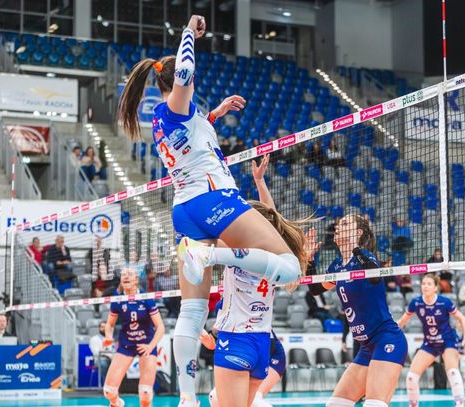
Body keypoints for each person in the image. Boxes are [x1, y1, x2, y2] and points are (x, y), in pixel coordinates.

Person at [118, 15, 302, 406]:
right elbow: (184, 74)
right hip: (213, 199)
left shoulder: (169, 119)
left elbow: (194, 133)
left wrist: (215, 114)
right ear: (174, 83)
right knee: (289, 267)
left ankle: (187, 398)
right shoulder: (175, 103)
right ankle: (212, 255)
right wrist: (188, 32)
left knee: (192, 309)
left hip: (185, 209)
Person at [199, 154, 307, 407]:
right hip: (262, 342)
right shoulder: (277, 256)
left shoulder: (233, 247)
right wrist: (259, 182)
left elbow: (204, 234)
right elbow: (271, 221)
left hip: (236, 339)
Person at [308, 214, 408, 407]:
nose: (338, 226)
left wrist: (354, 247)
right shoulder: (337, 265)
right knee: (335, 405)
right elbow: (315, 289)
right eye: (339, 223)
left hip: (386, 340)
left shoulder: (366, 257)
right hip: (366, 347)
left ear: (358, 232)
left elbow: (374, 277)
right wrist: (310, 260)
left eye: (345, 223)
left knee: (373, 404)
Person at [398, 273, 465, 407]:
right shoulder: (416, 302)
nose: (425, 286)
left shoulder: (444, 302)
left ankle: (460, 404)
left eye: (429, 284)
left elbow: (462, 318)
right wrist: (388, 333)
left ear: (435, 288)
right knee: (411, 378)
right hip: (430, 343)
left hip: (447, 341)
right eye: (423, 284)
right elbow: (402, 322)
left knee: (453, 373)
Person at [103, 269, 165, 407]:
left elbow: (160, 327)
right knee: (109, 391)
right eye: (123, 274)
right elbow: (110, 324)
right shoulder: (118, 299)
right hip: (127, 344)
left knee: (145, 393)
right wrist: (108, 336)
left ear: (136, 280)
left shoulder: (146, 298)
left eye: (129, 274)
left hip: (146, 343)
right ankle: (117, 403)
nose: (126, 276)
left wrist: (150, 346)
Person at [89, 321, 112, 386]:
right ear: (99, 328)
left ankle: (118, 386)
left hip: (111, 359)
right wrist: (107, 355)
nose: (104, 329)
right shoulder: (94, 339)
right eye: (102, 327)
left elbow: (113, 350)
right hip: (100, 359)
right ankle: (106, 385)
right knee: (103, 364)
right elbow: (96, 352)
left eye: (105, 327)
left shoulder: (110, 338)